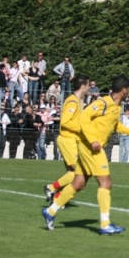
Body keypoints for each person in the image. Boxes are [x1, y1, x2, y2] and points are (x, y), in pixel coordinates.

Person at [41, 75, 129, 235]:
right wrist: (92, 140)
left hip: (89, 147)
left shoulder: (116, 107)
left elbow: (114, 124)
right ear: (124, 90)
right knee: (106, 183)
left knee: (78, 183)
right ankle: (105, 224)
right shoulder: (103, 103)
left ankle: (51, 211)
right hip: (92, 148)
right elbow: (83, 117)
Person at [44, 75, 89, 204]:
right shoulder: (73, 101)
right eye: (87, 86)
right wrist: (81, 128)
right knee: (78, 172)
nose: (88, 89)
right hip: (68, 140)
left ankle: (57, 198)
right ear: (83, 86)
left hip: (71, 140)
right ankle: (51, 188)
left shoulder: (76, 101)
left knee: (72, 173)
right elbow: (65, 122)